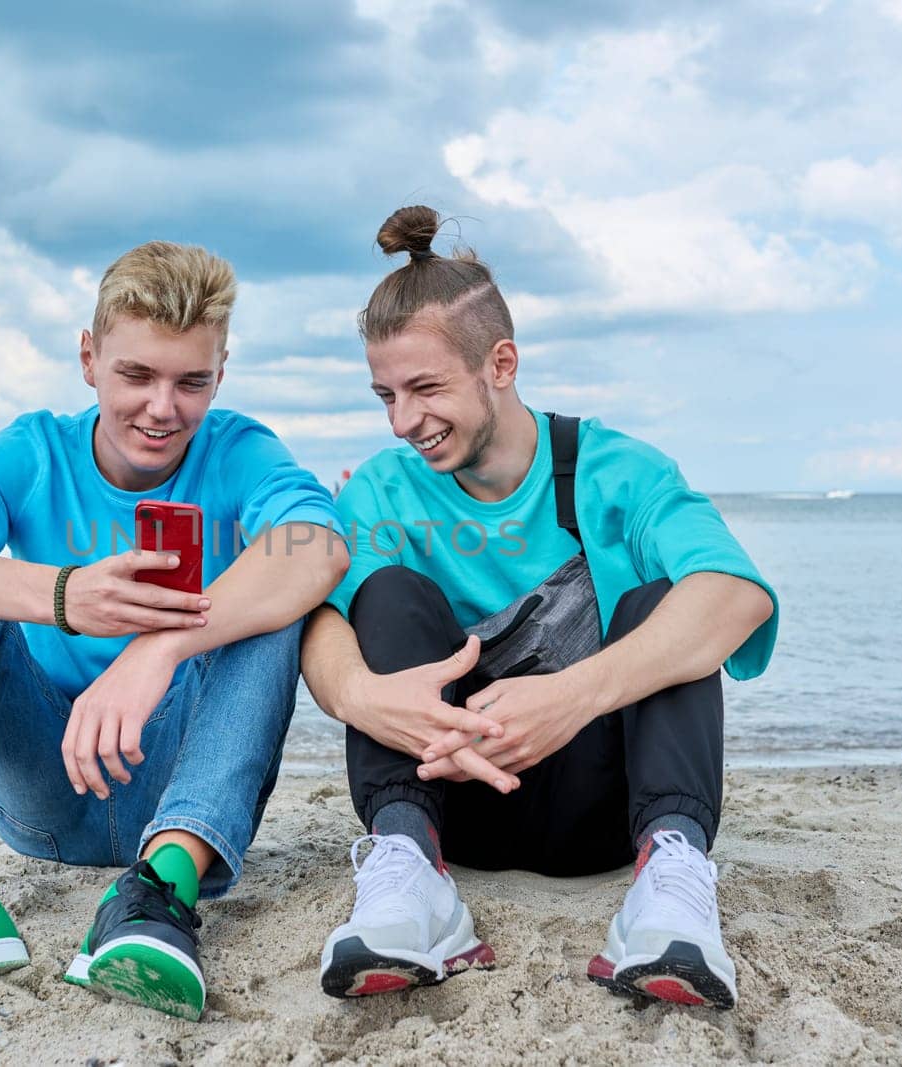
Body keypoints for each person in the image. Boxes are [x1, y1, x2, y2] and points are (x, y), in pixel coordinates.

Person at [0, 240, 346, 1022]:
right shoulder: (37, 449)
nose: (163, 407)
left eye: (192, 381)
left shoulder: (238, 449)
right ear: (88, 357)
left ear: (222, 372)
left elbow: (319, 546)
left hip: (181, 782)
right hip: (47, 783)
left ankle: (160, 889)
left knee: (276, 601)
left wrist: (162, 645)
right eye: (136, 375)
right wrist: (64, 594)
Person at [301, 206, 777, 1009]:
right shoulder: (384, 488)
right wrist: (357, 692)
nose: (403, 421)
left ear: (501, 362)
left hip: (605, 811)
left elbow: (736, 595)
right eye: (386, 395)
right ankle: (409, 878)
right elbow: (317, 616)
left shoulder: (618, 470)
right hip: (451, 804)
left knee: (665, 602)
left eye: (425, 388)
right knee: (382, 592)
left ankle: (670, 883)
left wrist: (570, 696)